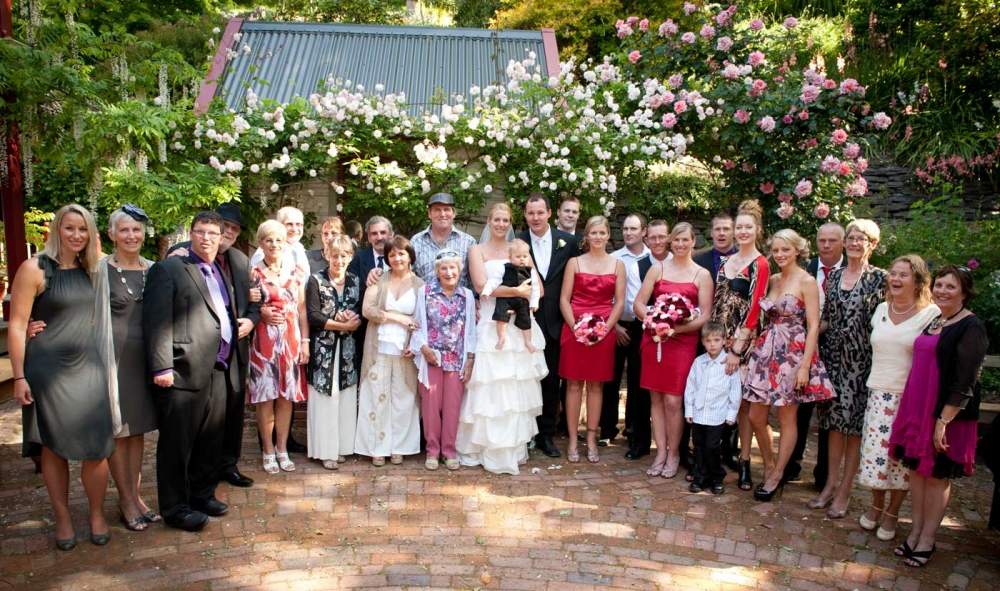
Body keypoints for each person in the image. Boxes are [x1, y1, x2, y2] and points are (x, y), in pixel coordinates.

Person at [10, 204, 113, 549]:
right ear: (57, 229)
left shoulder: (95, 268)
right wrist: (19, 377)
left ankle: (96, 514)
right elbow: (18, 325)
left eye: (83, 229)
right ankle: (63, 518)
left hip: (89, 368)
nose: (76, 235)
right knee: (53, 448)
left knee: (97, 448)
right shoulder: (35, 268)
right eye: (69, 228)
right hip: (48, 370)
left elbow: (133, 267)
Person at [144, 211, 239, 531]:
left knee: (211, 439)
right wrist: (162, 365)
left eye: (213, 233)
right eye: (200, 232)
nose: (207, 238)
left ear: (221, 237)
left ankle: (202, 494)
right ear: (191, 233)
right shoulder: (169, 269)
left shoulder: (218, 269)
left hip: (218, 367)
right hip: (182, 370)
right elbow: (157, 320)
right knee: (177, 444)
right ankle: (175, 508)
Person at [889, 266, 988, 567]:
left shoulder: (971, 327)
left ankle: (928, 539)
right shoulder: (936, 319)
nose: (943, 291)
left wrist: (942, 422)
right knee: (917, 473)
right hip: (919, 409)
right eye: (940, 285)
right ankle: (915, 532)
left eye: (951, 286)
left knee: (936, 477)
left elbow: (965, 381)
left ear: (965, 292)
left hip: (946, 415)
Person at [167, 202, 259, 489]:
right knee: (200, 420)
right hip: (198, 353)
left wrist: (251, 320)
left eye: (234, 229)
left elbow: (254, 300)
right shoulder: (182, 256)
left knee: (232, 412)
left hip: (235, 350)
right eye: (225, 226)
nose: (229, 232)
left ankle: (227, 465)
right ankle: (195, 475)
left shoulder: (240, 260)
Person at [744, 229, 835, 501]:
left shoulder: (807, 281)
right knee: (755, 416)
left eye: (785, 249)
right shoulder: (772, 279)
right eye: (776, 250)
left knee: (787, 417)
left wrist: (805, 366)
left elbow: (814, 325)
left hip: (793, 354)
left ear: (797, 250)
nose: (780, 254)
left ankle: (777, 474)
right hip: (766, 352)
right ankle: (769, 463)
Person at [458, 202, 546, 475]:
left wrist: (525, 295)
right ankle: (484, 448)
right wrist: (517, 292)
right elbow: (481, 286)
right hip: (491, 322)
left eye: (505, 220)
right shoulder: (477, 250)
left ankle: (513, 449)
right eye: (496, 219)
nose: (501, 224)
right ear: (488, 221)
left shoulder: (519, 249)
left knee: (514, 388)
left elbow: (538, 288)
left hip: (518, 326)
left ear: (510, 223)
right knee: (489, 387)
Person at [857, 255, 938, 540]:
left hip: (909, 398)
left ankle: (892, 513)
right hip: (878, 394)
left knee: (901, 461)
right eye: (893, 273)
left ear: (918, 281)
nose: (896, 279)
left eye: (904, 275)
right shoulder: (881, 308)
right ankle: (876, 506)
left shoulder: (931, 314)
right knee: (875, 458)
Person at [813, 219, 887, 518]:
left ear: (873, 245)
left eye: (862, 239)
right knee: (833, 426)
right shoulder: (833, 277)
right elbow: (827, 318)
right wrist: (806, 334)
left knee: (854, 429)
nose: (855, 243)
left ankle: (845, 490)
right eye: (852, 238)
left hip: (862, 363)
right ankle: (829, 485)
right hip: (833, 360)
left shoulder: (880, 279)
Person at [634, 222, 713, 478]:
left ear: (693, 242)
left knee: (673, 400)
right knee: (656, 399)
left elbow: (705, 315)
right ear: (671, 241)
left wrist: (675, 330)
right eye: (676, 240)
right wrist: (653, 321)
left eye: (685, 240)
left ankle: (674, 452)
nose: (680, 244)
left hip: (682, 342)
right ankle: (660, 452)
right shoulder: (657, 269)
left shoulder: (701, 274)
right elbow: (638, 303)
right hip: (654, 340)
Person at [100, 206, 157, 531]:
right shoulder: (98, 271)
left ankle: (136, 496)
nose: (131, 235)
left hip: (145, 362)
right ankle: (124, 500)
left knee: (137, 432)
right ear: (112, 234)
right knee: (118, 433)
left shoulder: (154, 269)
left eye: (136, 229)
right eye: (124, 230)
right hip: (114, 362)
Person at [710, 200, 771, 491]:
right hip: (718, 340)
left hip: (743, 345)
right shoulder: (726, 262)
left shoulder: (760, 264)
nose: (743, 232)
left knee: (744, 405)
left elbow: (755, 308)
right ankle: (715, 461)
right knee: (720, 399)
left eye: (748, 227)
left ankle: (745, 460)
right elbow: (717, 301)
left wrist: (737, 349)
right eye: (739, 227)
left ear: (757, 230)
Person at [558, 215, 626, 463]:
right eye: (593, 233)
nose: (598, 237)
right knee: (573, 385)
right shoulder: (575, 263)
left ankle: (591, 439)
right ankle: (572, 439)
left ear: (608, 236)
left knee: (596, 386)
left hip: (603, 330)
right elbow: (564, 299)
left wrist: (605, 329)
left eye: (602, 233)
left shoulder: (617, 265)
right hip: (574, 328)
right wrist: (575, 327)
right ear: (586, 236)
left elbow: (619, 302)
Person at [517, 194, 580, 458]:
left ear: (549, 213)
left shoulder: (569, 242)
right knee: (523, 378)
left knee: (551, 380)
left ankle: (546, 435)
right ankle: (524, 434)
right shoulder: (517, 241)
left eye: (540, 212)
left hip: (556, 320)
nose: (535, 218)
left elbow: (577, 281)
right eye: (531, 213)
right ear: (525, 215)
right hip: (524, 321)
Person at [355, 236, 424, 466]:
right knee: (376, 396)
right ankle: (377, 447)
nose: (396, 258)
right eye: (392, 254)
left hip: (405, 351)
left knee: (403, 398)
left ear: (410, 256)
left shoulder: (420, 285)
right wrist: (398, 318)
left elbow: (423, 320)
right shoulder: (379, 280)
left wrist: (415, 345)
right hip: (379, 348)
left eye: (401, 253)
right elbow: (368, 310)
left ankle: (399, 447)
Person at [248, 220, 309, 474]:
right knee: (266, 397)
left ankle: (282, 448)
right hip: (264, 343)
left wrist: (305, 342)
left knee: (286, 398)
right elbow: (247, 307)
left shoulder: (296, 272)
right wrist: (260, 311)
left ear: (286, 244)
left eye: (279, 240)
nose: (274, 244)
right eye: (269, 240)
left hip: (291, 341)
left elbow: (302, 309)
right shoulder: (253, 273)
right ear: (261, 243)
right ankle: (268, 450)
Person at [791, 222, 846, 486]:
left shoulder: (851, 273)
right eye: (822, 240)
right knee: (798, 410)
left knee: (829, 414)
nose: (826, 245)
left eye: (832, 240)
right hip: (802, 349)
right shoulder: (805, 269)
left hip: (837, 352)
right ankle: (792, 465)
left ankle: (823, 475)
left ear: (842, 242)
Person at [411, 250, 477, 470]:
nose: (449, 272)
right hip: (432, 357)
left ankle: (449, 451)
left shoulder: (467, 295)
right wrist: (423, 349)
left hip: (457, 359)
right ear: (437, 271)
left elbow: (471, 330)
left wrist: (470, 359)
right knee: (430, 405)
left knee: (452, 407)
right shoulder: (425, 292)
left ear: (459, 270)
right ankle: (432, 450)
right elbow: (416, 324)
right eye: (444, 268)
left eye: (453, 268)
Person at [305, 235, 361, 470]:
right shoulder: (316, 280)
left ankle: (340, 447)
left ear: (351, 256)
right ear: (327, 255)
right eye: (335, 255)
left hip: (347, 350)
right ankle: (325, 451)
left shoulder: (355, 280)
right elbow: (313, 315)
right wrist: (339, 324)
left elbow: (359, 308)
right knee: (325, 399)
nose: (339, 260)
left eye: (344, 255)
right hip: (323, 350)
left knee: (345, 397)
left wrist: (352, 316)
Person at [601, 213, 649, 448]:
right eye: (625, 229)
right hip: (616, 323)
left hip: (643, 326)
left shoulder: (654, 258)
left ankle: (632, 427)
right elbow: (606, 295)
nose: (628, 233)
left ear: (644, 231)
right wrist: (615, 325)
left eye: (633, 229)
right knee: (610, 377)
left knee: (637, 379)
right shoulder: (614, 258)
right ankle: (607, 428)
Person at [625, 219, 671, 459]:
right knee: (639, 386)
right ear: (646, 238)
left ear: (669, 237)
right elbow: (637, 303)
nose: (657, 241)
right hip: (643, 331)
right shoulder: (638, 267)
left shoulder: (678, 262)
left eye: (661, 236)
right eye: (653, 237)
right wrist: (659, 321)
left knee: (672, 391)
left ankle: (675, 446)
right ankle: (639, 441)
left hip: (676, 334)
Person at [684, 322, 742, 495]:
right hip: (699, 414)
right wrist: (689, 410)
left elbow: (735, 390)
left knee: (712, 447)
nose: (712, 344)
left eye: (716, 340)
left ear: (724, 341)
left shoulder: (729, 363)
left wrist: (732, 414)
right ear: (702, 342)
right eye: (708, 341)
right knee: (699, 446)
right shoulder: (698, 362)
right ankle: (700, 477)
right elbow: (691, 386)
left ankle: (716, 477)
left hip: (717, 415)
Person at [347, 216, 394, 371]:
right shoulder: (359, 258)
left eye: (383, 232)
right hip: (366, 327)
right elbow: (351, 291)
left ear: (391, 234)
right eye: (374, 233)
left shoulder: (399, 257)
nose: (379, 237)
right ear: (368, 237)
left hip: (394, 327)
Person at [409, 192, 477, 288]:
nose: (442, 214)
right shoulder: (416, 242)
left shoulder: (469, 242)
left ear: (454, 213)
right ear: (429, 214)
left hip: (460, 297)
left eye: (446, 209)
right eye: (437, 210)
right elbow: (408, 276)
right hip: (424, 297)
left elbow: (474, 280)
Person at [492, 239, 539, 352]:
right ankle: (501, 337)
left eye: (525, 256)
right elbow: (494, 281)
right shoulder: (504, 268)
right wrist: (487, 290)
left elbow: (536, 288)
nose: (522, 259)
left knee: (525, 319)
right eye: (518, 257)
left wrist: (534, 302)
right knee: (501, 317)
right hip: (505, 298)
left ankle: (528, 341)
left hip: (522, 300)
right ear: (510, 257)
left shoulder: (531, 271)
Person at [693, 212, 737, 282]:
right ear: (711, 233)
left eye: (726, 229)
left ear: (734, 233)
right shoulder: (697, 260)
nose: (721, 233)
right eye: (717, 229)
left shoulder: (747, 259)